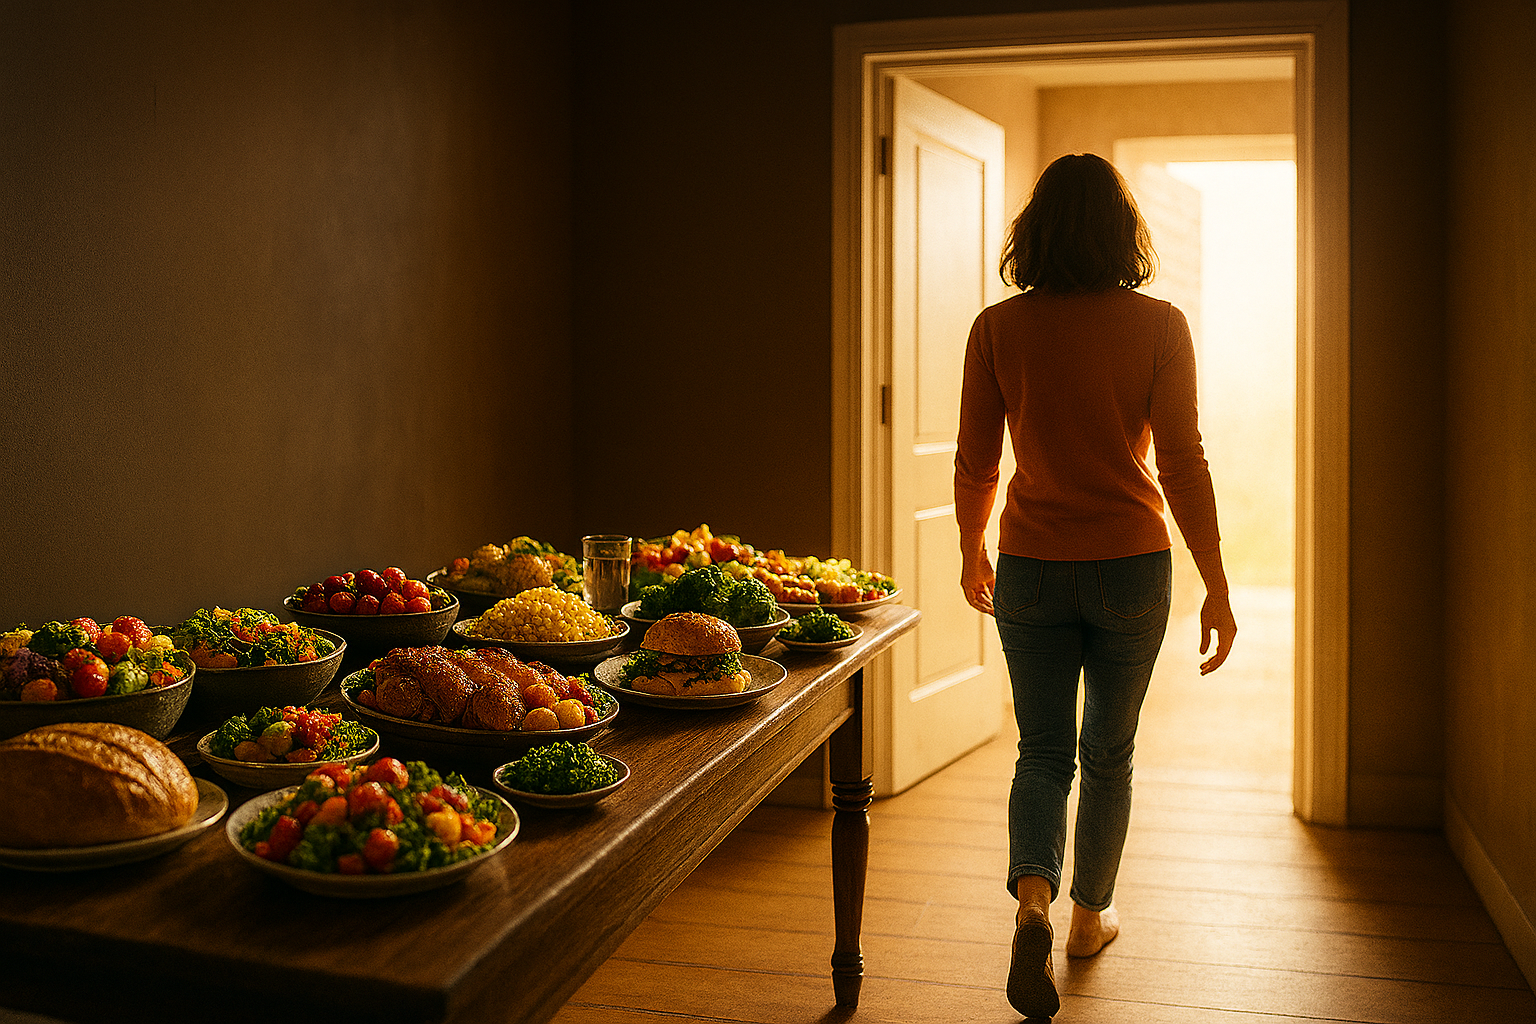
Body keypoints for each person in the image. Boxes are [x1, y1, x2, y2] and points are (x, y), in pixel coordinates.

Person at [953, 152, 1237, 1019]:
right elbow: (1183, 462)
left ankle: (1031, 904)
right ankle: (1085, 922)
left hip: (1032, 565)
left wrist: (972, 546)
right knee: (1108, 754)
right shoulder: (1159, 325)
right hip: (1129, 566)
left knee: (1041, 751)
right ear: (1125, 233)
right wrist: (1215, 584)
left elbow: (976, 460)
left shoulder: (998, 329)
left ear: (1032, 234)